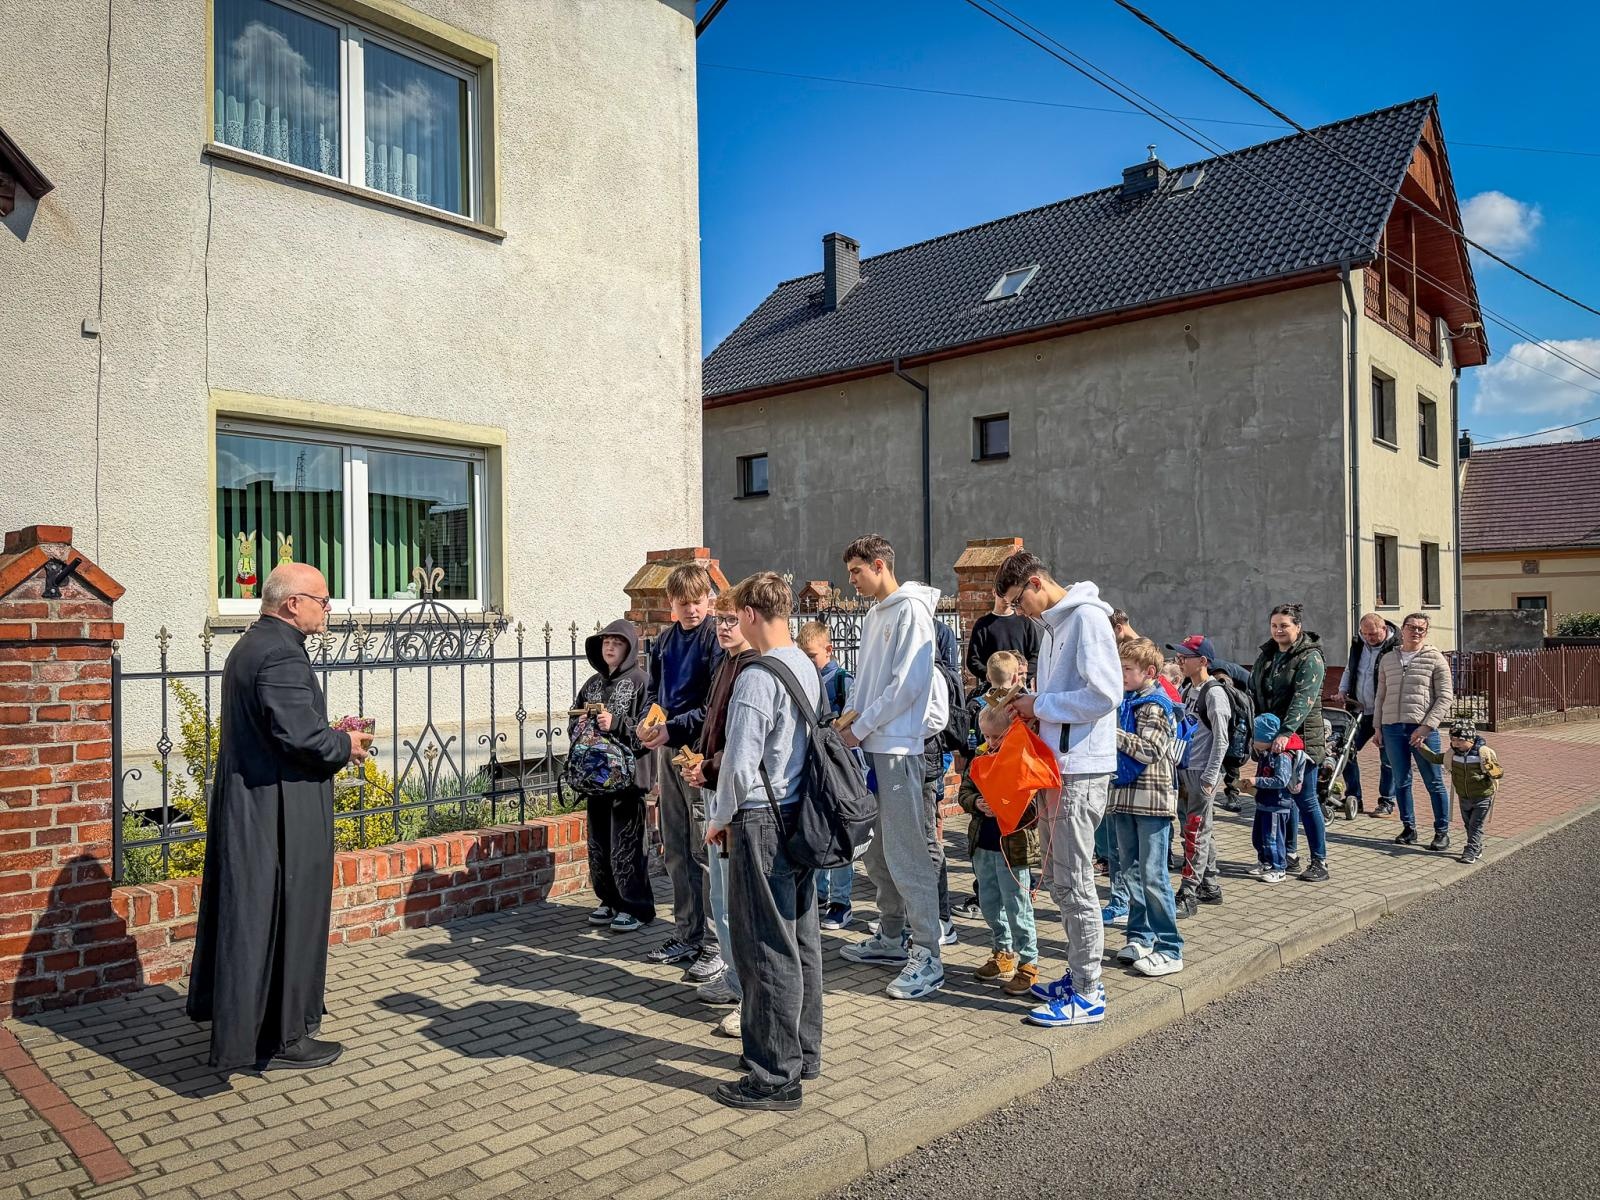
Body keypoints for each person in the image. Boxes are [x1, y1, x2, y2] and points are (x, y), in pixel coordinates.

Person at [187, 563, 374, 1072]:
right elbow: (300, 738)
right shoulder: (281, 656)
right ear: (293, 603)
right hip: (280, 812)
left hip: (258, 803)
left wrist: (324, 732)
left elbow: (281, 726)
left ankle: (258, 1027)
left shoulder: (252, 646)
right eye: (323, 599)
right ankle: (288, 1037)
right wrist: (346, 743)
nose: (328, 609)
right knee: (290, 917)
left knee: (257, 919)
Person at [707, 572, 823, 1111]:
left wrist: (719, 817)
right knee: (800, 938)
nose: (732, 624)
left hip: (761, 820)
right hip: (800, 813)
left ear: (752, 613)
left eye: (735, 615)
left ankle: (774, 1076)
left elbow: (739, 761)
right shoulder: (803, 663)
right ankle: (801, 1050)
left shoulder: (756, 678)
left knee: (764, 946)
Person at [992, 552, 1121, 1029]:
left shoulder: (1086, 618)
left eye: (1015, 600)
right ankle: (1079, 976)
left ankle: (1088, 992)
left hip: (1080, 770)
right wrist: (1034, 710)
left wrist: (1039, 704)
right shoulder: (1054, 626)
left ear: (1035, 582)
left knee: (1074, 882)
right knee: (1063, 881)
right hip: (1058, 769)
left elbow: (1106, 694)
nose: (1017, 611)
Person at [836, 534, 949, 1001]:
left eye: (856, 572)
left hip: (899, 747)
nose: (853, 582)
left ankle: (928, 954)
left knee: (906, 852)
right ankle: (891, 934)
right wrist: (851, 718)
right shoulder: (874, 613)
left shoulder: (911, 610)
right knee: (879, 851)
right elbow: (867, 680)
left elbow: (908, 683)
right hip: (873, 743)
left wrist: (862, 725)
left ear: (879, 565)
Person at [637, 564, 723, 978]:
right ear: (670, 604)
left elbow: (713, 707)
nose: (691, 608)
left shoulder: (715, 640)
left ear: (709, 599)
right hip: (667, 749)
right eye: (683, 602)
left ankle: (713, 941)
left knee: (702, 848)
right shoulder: (665, 640)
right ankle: (686, 933)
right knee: (674, 846)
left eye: (698, 600)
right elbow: (653, 692)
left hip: (698, 754)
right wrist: (648, 721)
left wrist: (672, 726)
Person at [681, 593, 759, 1034]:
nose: (724, 627)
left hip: (734, 796)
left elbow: (742, 744)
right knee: (718, 897)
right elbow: (713, 726)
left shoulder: (752, 667)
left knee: (733, 899)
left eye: (732, 620)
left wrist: (711, 768)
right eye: (720, 620)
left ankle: (749, 993)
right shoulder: (726, 663)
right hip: (712, 786)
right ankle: (732, 977)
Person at [1105, 638, 1184, 977]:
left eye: (1127, 669)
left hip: (1151, 801)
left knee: (1154, 875)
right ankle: (1139, 935)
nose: (1120, 674)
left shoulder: (1156, 705)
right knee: (1131, 871)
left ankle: (1170, 947)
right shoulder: (1125, 701)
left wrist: (1111, 732)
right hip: (1124, 797)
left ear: (1149, 672)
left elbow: (1149, 750)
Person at [570, 619, 655, 933]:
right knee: (599, 846)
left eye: (617, 642)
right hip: (596, 778)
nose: (609, 647)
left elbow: (649, 731)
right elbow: (574, 717)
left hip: (628, 782)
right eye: (606, 641)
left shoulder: (642, 682)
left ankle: (637, 907)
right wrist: (578, 728)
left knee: (627, 845)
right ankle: (608, 900)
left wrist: (617, 722)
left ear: (629, 648)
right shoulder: (592, 683)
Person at [957, 704, 1041, 996]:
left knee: (1018, 905)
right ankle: (1002, 952)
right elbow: (965, 790)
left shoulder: (1022, 758)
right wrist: (976, 803)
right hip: (983, 843)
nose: (991, 742)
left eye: (996, 736)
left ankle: (1028, 963)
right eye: (986, 736)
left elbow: (1033, 808)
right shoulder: (981, 755)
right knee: (990, 902)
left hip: (1013, 848)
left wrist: (1006, 805)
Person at [1250, 603, 1330, 883]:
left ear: (1298, 627)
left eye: (1284, 625)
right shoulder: (1268, 655)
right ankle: (1287, 856)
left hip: (1302, 739)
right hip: (1271, 739)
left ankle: (1319, 860)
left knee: (1305, 799)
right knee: (1283, 800)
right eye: (1274, 625)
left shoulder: (1310, 658)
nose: (1278, 630)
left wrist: (1285, 732)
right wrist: (1258, 733)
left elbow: (1303, 699)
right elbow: (1255, 692)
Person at [1376, 612, 1456, 851]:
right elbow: (1381, 695)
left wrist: (1426, 726)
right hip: (1392, 728)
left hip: (1422, 729)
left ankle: (1442, 832)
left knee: (1434, 782)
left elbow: (1445, 697)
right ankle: (1409, 828)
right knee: (1401, 781)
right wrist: (1377, 727)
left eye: (1422, 628)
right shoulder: (1388, 659)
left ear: (1426, 632)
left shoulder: (1435, 659)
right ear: (1403, 629)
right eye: (1412, 627)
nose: (1416, 632)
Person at [797, 621, 856, 929]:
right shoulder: (800, 679)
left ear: (829, 650)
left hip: (838, 767)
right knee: (817, 829)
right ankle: (819, 892)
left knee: (841, 831)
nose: (807, 662)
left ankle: (841, 900)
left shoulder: (843, 680)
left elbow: (853, 719)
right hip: (812, 766)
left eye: (811, 656)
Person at [1168, 635, 1230, 915]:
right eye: (1178, 656)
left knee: (1196, 832)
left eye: (1185, 657)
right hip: (1185, 769)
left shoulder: (1213, 694)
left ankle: (1189, 892)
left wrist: (1210, 776)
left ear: (1202, 661)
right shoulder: (1186, 689)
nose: (1179, 661)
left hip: (1202, 772)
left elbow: (1222, 739)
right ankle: (1210, 884)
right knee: (1198, 829)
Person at [1415, 719, 1502, 864]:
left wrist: (1490, 768)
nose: (1456, 743)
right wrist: (1421, 747)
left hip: (1482, 797)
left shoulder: (1482, 754)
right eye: (1453, 739)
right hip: (1464, 797)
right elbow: (1436, 758)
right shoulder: (1452, 755)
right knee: (1468, 824)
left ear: (1471, 739)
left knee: (1475, 825)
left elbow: (1498, 773)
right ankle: (1477, 847)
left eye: (1461, 740)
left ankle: (1470, 851)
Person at [1339, 613, 1398, 817]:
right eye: (1365, 634)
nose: (1369, 638)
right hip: (1359, 711)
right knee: (1345, 751)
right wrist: (1342, 691)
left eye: (1372, 634)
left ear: (1384, 629)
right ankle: (1354, 797)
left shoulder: (1395, 646)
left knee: (1387, 758)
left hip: (1386, 712)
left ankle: (1387, 801)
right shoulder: (1358, 643)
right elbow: (1350, 669)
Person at [1247, 714, 1307, 883]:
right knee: (1258, 837)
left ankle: (1279, 867)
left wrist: (1257, 781)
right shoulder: (1265, 753)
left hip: (1277, 805)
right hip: (1263, 802)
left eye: (1255, 738)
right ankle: (1264, 862)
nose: (1253, 743)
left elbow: (1281, 780)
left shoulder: (1282, 756)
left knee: (1273, 838)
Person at [964, 584, 1042, 685]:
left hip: (1020, 687)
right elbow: (973, 660)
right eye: (1002, 593)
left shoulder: (1025, 621)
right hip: (992, 688)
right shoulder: (983, 624)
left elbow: (1035, 655)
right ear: (994, 592)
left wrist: (1022, 675)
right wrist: (991, 675)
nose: (1006, 597)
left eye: (1009, 593)